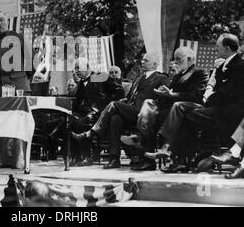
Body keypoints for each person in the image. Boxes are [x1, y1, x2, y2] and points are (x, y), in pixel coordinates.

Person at [146, 34, 244, 173]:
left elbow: (228, 93)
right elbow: (218, 90)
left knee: (186, 113)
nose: (216, 49)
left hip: (229, 111)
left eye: (218, 46)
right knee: (183, 111)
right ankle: (177, 156)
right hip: (215, 106)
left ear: (227, 48)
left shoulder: (240, 66)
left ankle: (176, 155)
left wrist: (208, 100)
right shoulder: (223, 65)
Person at [72, 52, 169, 169]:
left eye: (146, 60)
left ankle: (92, 132)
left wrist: (111, 102)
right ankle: (114, 158)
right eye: (142, 60)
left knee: (113, 105)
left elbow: (164, 99)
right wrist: (123, 102)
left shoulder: (161, 78)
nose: (142, 62)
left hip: (146, 112)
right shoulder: (139, 79)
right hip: (131, 111)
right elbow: (128, 98)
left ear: (155, 64)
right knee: (115, 119)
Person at [121, 46, 209, 171]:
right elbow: (169, 94)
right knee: (148, 104)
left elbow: (196, 96)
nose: (176, 62)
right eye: (175, 59)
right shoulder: (178, 75)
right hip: (172, 108)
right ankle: (141, 139)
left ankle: (164, 147)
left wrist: (172, 95)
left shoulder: (199, 73)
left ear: (189, 59)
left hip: (190, 108)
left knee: (173, 108)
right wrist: (162, 95)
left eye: (179, 59)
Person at [0, 11, 31, 97]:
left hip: (19, 89)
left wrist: (21, 78)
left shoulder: (19, 38)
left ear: (7, 21)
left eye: (1, 20)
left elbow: (31, 62)